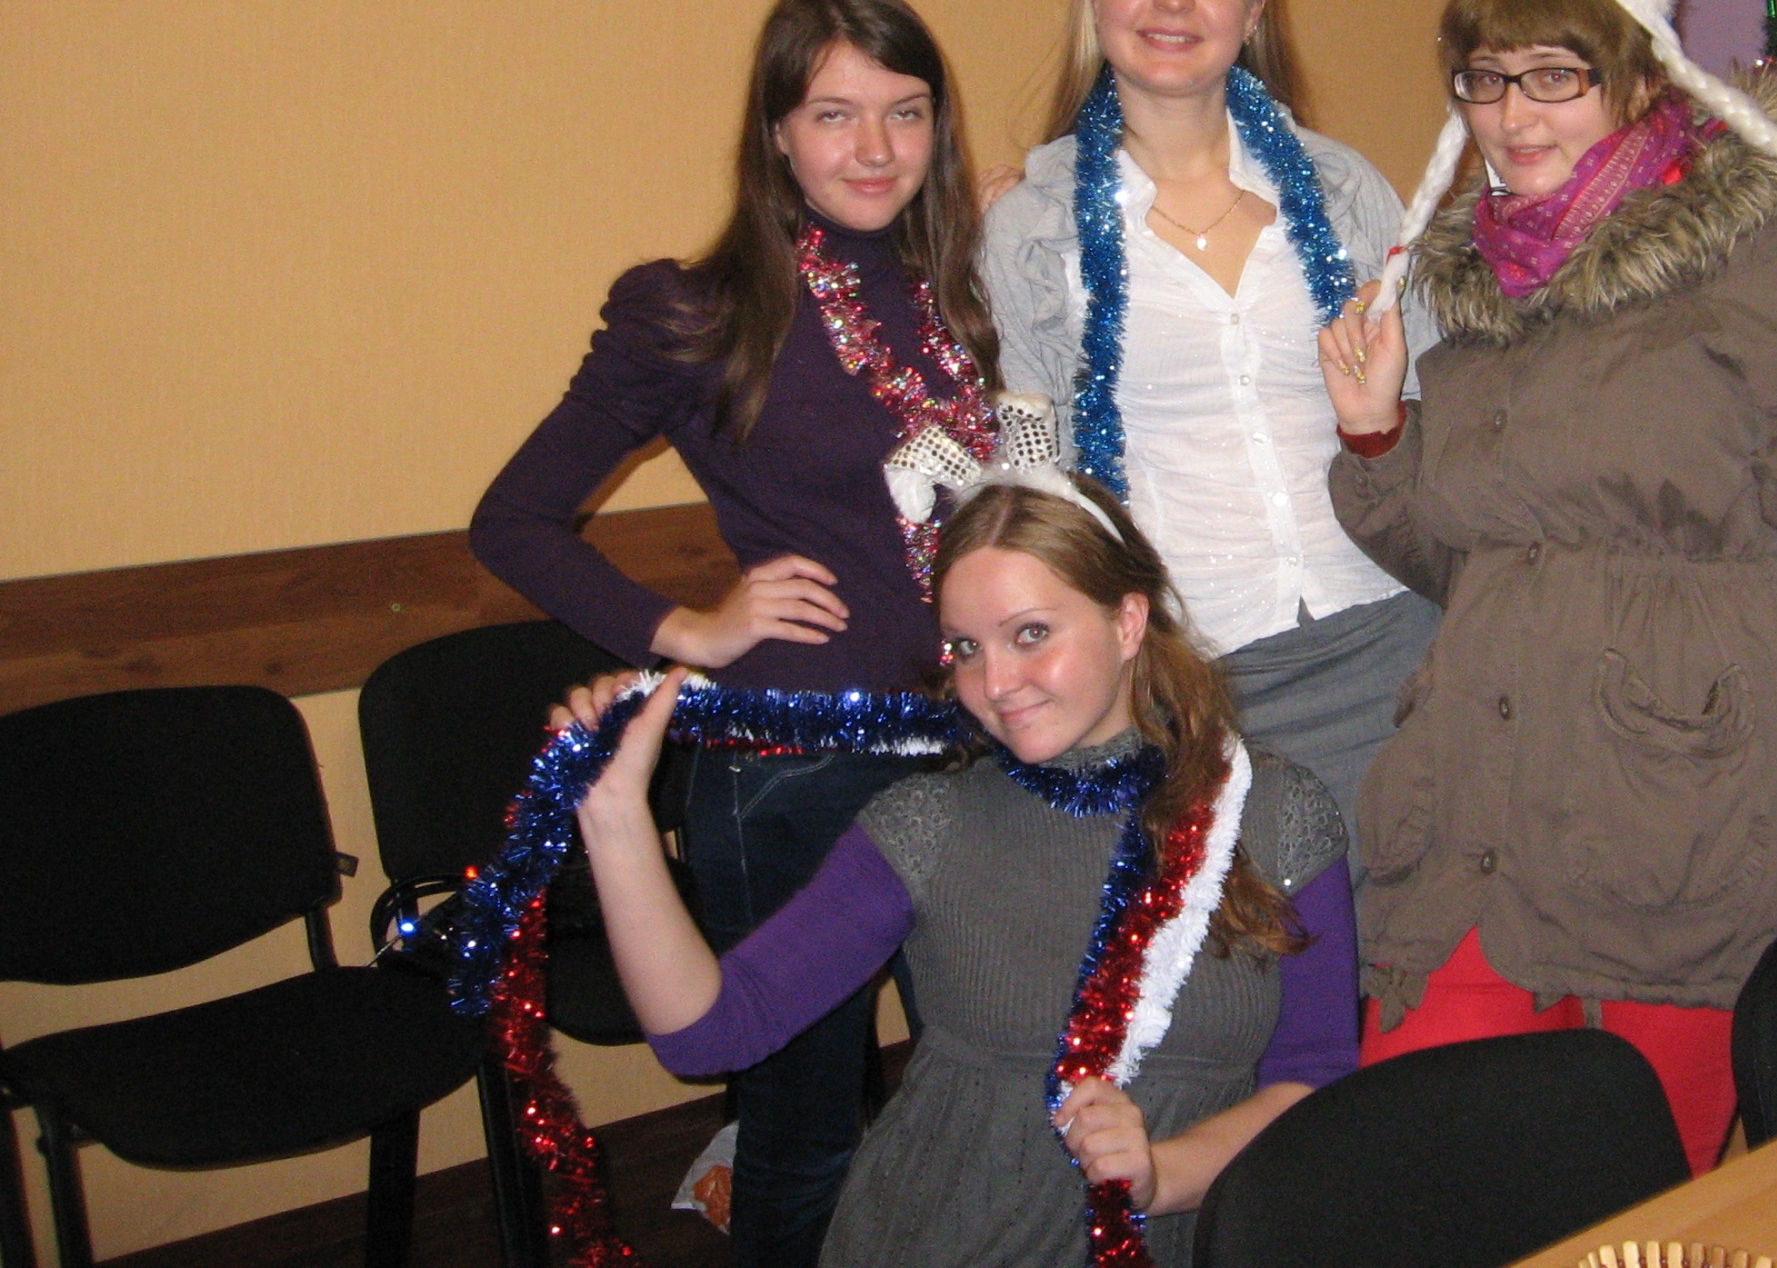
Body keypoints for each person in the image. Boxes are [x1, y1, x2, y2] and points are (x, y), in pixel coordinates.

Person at [1316, 0, 1777, 1172]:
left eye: (1554, 74)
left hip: (1697, 813)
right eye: (1485, 78)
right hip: (1487, 812)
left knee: (1625, 1210)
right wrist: (1376, 437)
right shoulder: (1486, 286)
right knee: (1412, 1170)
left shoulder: (1761, 260)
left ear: (1638, 78)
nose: (1513, 115)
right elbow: (1474, 563)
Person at [469, 0, 999, 1267]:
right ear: (775, 132)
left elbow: (1020, 489)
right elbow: (512, 520)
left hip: (976, 750)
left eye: (905, 111)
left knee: (983, 1087)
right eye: (832, 113)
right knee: (804, 1132)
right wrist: (686, 630)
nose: (873, 148)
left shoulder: (969, 295)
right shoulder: (695, 312)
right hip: (794, 773)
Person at [557, 471, 1358, 1268]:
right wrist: (616, 818)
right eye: (967, 648)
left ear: (1127, 621)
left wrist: (1159, 1174)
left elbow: (1311, 1081)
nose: (995, 684)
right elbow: (706, 1034)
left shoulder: (1274, 814)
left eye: (1031, 633)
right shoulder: (930, 824)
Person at [980, 0, 1438, 885]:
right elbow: (1037, 476)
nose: (1175, 0)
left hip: (1398, 643)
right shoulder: (1030, 227)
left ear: (1255, 7)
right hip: (1200, 679)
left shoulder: (1344, 187)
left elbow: (1433, 406)